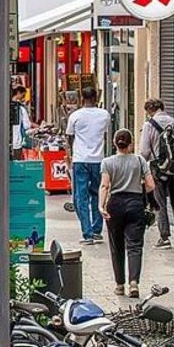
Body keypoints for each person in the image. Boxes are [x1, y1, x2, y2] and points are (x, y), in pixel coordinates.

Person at [99, 129, 156, 298]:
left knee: (116, 246)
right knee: (135, 245)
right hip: (135, 203)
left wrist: (101, 206)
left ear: (115, 143)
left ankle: (119, 284)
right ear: (131, 143)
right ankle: (134, 283)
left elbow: (105, 186)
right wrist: (140, 190)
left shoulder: (107, 162)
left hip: (115, 204)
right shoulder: (140, 161)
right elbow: (151, 185)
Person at [66, 86, 111, 246]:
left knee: (80, 197)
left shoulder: (75, 116)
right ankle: (97, 230)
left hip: (80, 159)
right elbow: (104, 133)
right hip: (98, 159)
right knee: (98, 194)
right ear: (96, 96)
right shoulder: (104, 115)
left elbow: (70, 137)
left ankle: (87, 233)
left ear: (81, 97)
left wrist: (70, 155)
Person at [139, 98, 174, 249]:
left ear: (149, 111)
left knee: (160, 203)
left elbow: (145, 151)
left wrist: (142, 170)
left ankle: (164, 237)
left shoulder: (149, 125)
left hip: (158, 170)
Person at [11, 86, 36, 160]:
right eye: (23, 95)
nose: (24, 97)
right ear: (18, 93)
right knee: (17, 161)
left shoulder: (7, 105)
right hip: (17, 140)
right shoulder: (21, 108)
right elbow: (26, 125)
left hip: (8, 139)